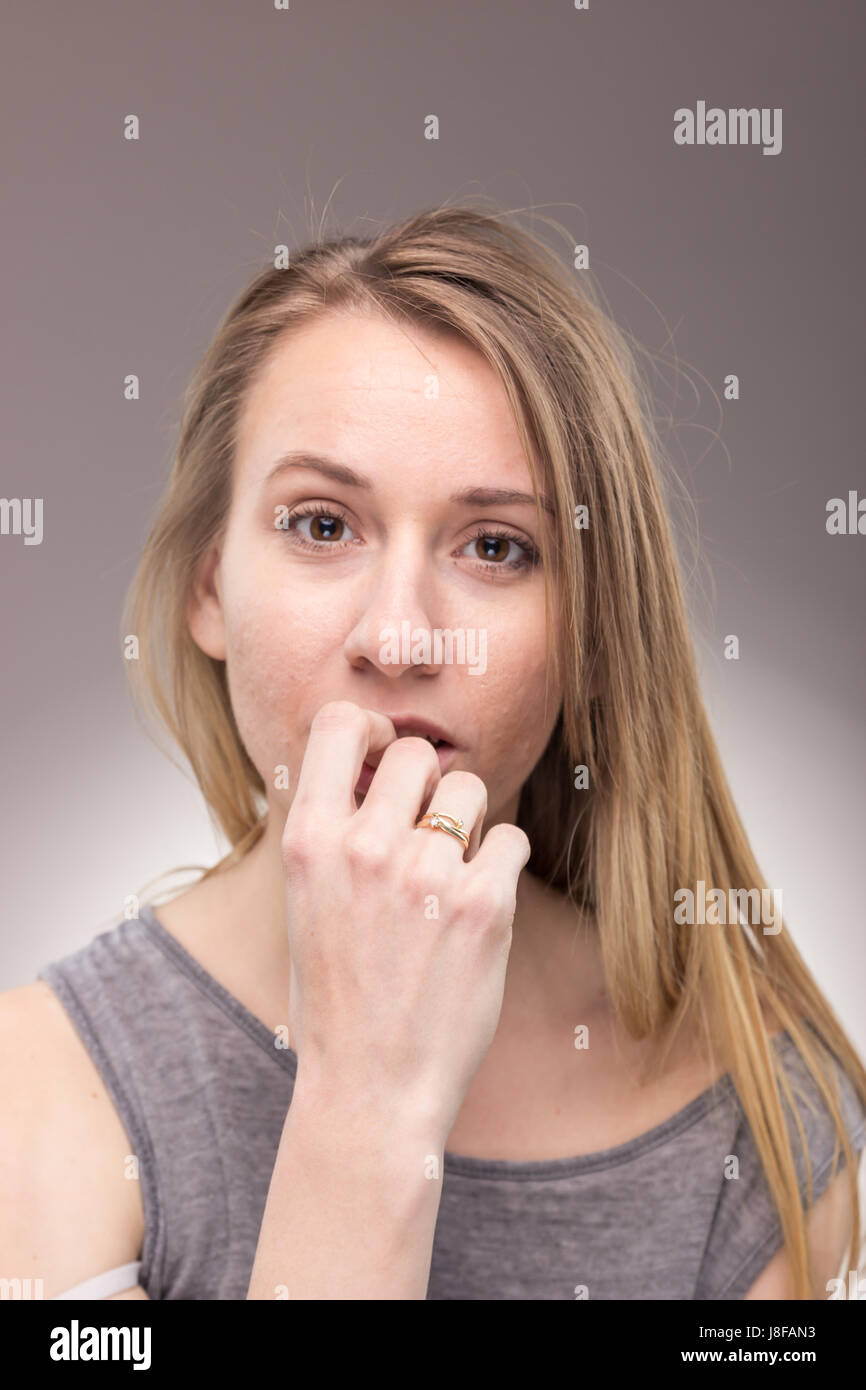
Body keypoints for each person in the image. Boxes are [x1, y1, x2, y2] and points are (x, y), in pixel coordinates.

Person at [2, 205, 864, 1301]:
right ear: (207, 588)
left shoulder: (760, 1128)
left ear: (593, 636)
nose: (401, 636)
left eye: (495, 547)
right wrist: (365, 1097)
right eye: (321, 525)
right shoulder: (31, 1095)